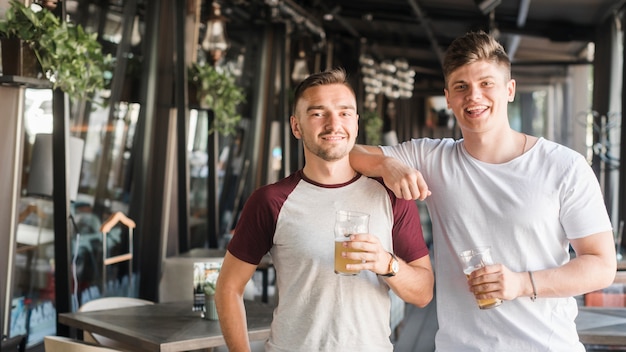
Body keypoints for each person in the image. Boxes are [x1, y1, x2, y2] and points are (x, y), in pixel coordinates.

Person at [349, 31, 616, 351]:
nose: (474, 96)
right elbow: (345, 152)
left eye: (487, 83)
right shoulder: (432, 157)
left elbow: (601, 265)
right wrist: (385, 164)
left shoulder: (564, 166)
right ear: (448, 98)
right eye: (462, 87)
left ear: (510, 90)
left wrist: (521, 283)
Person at [215, 68, 434, 351]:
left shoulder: (391, 196)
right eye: (318, 113)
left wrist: (385, 263)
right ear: (296, 126)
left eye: (344, 113)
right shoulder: (270, 200)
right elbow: (228, 289)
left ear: (356, 122)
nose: (334, 124)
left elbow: (423, 293)